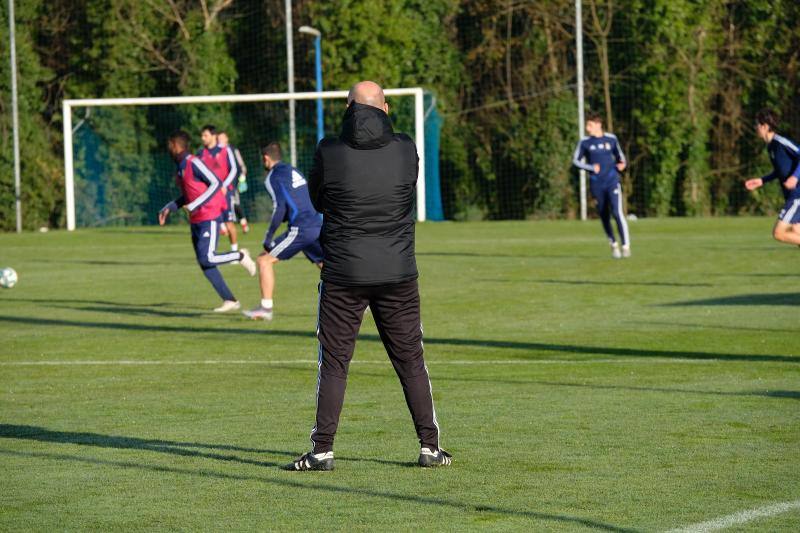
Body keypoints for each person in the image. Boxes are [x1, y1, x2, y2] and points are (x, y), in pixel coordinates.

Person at [284, 81, 450, 471]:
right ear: (385, 108)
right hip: (398, 272)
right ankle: (430, 446)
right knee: (411, 359)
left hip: (343, 273)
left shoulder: (329, 150)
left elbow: (318, 200)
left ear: (347, 108)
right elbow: (406, 191)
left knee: (334, 363)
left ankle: (322, 451)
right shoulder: (406, 147)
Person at [158, 130, 257, 312]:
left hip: (209, 215)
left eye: (170, 145)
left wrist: (195, 204)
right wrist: (170, 207)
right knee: (204, 262)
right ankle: (230, 300)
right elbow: (189, 195)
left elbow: (216, 183)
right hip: (196, 218)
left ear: (176, 145)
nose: (168, 149)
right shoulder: (180, 167)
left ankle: (240, 256)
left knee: (208, 257)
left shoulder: (193, 162)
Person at [243, 142, 323, 321]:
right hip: (315, 223)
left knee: (264, 260)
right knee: (325, 263)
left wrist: (268, 236)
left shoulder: (272, 177)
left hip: (301, 228)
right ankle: (356, 300)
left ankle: (265, 308)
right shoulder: (293, 170)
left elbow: (280, 207)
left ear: (266, 158)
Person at [572, 112, 631, 258]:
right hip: (597, 184)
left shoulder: (611, 139)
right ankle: (613, 244)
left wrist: (622, 164)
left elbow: (620, 157)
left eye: (590, 125)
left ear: (598, 125)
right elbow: (576, 161)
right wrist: (591, 168)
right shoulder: (585, 142)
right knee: (604, 215)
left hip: (612, 182)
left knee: (617, 212)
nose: (587, 128)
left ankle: (625, 246)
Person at [745, 108, 800, 245]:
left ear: (765, 126)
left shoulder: (780, 142)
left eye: (757, 124)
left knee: (779, 233)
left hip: (797, 195)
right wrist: (762, 180)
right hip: (792, 195)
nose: (755, 127)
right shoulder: (770, 147)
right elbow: (780, 170)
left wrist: (795, 177)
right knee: (796, 230)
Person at [198, 125, 241, 250]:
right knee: (209, 224)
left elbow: (234, 169)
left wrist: (224, 185)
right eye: (202, 135)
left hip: (224, 193)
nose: (203, 138)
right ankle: (210, 252)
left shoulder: (225, 150)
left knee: (229, 223)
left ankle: (234, 251)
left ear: (213, 136)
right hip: (209, 195)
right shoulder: (200, 153)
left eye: (205, 135)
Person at [217, 131, 250, 234]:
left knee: (234, 203)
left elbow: (242, 165)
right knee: (220, 204)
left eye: (222, 138)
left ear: (227, 139)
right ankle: (223, 226)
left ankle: (243, 222)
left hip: (233, 183)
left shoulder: (233, 150)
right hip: (220, 184)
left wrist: (242, 177)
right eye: (218, 138)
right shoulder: (216, 151)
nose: (220, 140)